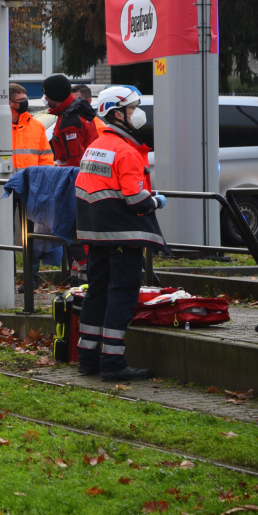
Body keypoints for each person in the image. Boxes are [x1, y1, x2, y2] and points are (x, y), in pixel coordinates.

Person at [74, 85, 163, 381]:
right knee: (122, 294)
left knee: (97, 292)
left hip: (96, 234)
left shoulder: (96, 146)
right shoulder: (125, 151)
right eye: (132, 108)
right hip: (123, 234)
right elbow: (136, 200)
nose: (137, 113)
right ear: (117, 114)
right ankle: (113, 363)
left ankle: (87, 358)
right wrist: (157, 201)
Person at [0, 84, 54, 170]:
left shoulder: (37, 127)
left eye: (26, 99)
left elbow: (46, 159)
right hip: (0, 182)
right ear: (10, 103)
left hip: (29, 182)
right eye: (21, 100)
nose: (25, 102)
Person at [43, 74, 98, 167]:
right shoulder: (79, 109)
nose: (45, 98)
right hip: (88, 172)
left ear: (54, 96)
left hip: (74, 176)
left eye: (46, 94)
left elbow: (75, 162)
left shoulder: (69, 120)